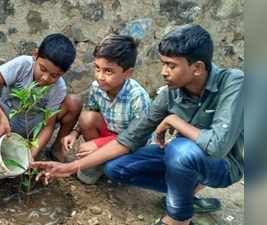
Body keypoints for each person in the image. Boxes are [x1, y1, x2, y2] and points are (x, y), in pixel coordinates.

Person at [32, 24, 244, 225]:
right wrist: (70, 167)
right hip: (180, 159)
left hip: (222, 165)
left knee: (181, 149)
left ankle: (178, 218)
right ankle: (183, 194)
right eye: (163, 64)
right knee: (115, 168)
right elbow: (131, 137)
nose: (163, 72)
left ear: (197, 68)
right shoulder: (170, 92)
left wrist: (173, 120)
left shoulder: (233, 83)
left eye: (171, 65)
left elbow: (217, 146)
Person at [61, 34, 151, 184]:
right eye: (97, 68)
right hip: (111, 134)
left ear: (128, 73)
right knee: (87, 118)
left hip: (133, 144)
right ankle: (99, 162)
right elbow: (90, 111)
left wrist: (98, 145)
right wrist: (74, 133)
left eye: (108, 71)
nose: (100, 76)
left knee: (114, 167)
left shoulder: (137, 97)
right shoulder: (98, 87)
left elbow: (139, 139)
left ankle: (105, 160)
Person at [0, 33, 82, 162]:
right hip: (6, 118)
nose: (45, 78)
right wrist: (1, 117)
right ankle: (0, 139)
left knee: (74, 102)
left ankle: (55, 151)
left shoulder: (59, 88)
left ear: (64, 72)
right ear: (35, 55)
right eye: (42, 69)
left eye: (54, 75)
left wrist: (30, 158)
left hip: (32, 129)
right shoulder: (23, 64)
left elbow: (48, 126)